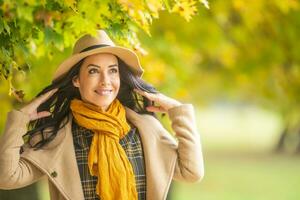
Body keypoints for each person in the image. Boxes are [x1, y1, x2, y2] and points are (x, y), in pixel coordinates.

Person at [0, 30, 204, 200]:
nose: (106, 80)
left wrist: (178, 111)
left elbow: (191, 172)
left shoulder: (144, 128)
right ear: (76, 80)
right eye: (93, 71)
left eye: (113, 71)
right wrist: (20, 120)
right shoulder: (59, 136)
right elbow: (7, 177)